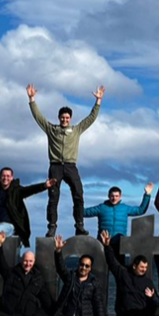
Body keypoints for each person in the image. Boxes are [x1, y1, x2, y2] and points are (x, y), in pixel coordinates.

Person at [27, 83, 103, 237]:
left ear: (70, 118)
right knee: (53, 197)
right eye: (62, 117)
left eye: (67, 117)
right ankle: (52, 226)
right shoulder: (51, 130)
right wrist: (32, 99)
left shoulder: (76, 130)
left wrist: (98, 102)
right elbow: (38, 117)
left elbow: (90, 119)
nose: (64, 119)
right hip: (55, 167)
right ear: (59, 118)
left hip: (71, 166)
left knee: (78, 194)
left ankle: (79, 225)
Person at [84, 183, 152, 240]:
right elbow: (84, 212)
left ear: (120, 197)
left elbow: (140, 210)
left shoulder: (125, 208)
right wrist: (77, 204)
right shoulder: (101, 208)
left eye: (116, 196)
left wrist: (147, 195)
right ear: (108, 196)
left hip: (120, 242)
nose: (114, 198)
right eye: (112, 196)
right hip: (104, 241)